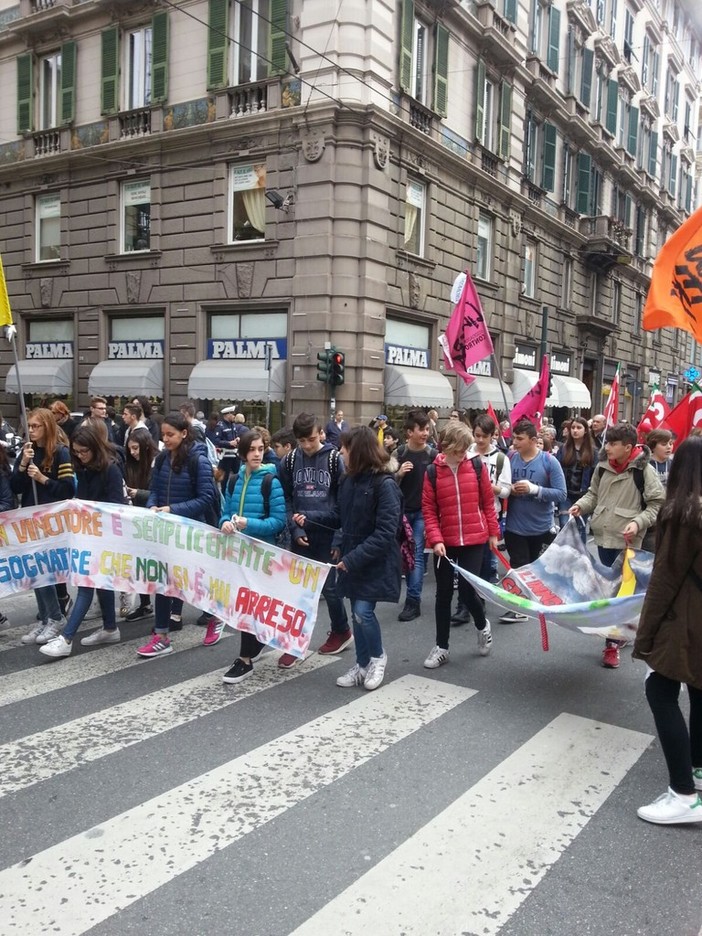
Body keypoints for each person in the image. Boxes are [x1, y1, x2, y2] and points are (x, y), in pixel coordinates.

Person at [632, 435, 702, 825]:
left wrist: (644, 638)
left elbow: (664, 580)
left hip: (686, 619)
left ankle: (683, 794)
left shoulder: (682, 514)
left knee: (659, 691)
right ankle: (697, 769)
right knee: (699, 690)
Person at [570, 422, 665, 668]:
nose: (608, 447)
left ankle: (611, 645)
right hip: (603, 537)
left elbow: (656, 505)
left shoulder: (644, 470)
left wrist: (637, 522)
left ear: (628, 447)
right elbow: (593, 494)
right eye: (607, 443)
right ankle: (618, 632)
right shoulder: (602, 467)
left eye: (613, 444)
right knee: (609, 590)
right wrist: (581, 505)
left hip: (630, 543)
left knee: (618, 595)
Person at [38, 424, 127, 658]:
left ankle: (66, 638)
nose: (79, 455)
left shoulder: (111, 469)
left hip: (105, 536)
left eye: (83, 451)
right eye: (76, 452)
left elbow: (117, 506)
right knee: (100, 583)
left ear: (95, 448)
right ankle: (110, 627)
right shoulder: (84, 468)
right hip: (90, 535)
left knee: (86, 584)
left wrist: (91, 509)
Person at [421, 421, 500, 669]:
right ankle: (441, 646)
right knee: (443, 593)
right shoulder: (432, 472)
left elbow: (487, 502)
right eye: (459, 449)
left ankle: (481, 624)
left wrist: (493, 533)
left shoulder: (476, 466)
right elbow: (429, 510)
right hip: (446, 540)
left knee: (467, 591)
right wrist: (436, 539)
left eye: (466, 449)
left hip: (475, 538)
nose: (463, 454)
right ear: (447, 447)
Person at [140, 412, 218, 658]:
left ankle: (216, 617)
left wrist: (173, 509)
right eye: (163, 435)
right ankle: (161, 635)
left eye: (170, 434)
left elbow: (207, 498)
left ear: (184, 433)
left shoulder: (198, 460)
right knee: (163, 582)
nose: (165, 439)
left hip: (192, 532)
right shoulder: (162, 459)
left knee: (199, 581)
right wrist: (152, 506)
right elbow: (154, 489)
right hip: (166, 532)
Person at [278, 412, 352, 667]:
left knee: (331, 590)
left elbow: (343, 502)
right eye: (302, 441)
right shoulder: (288, 461)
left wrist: (339, 540)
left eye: (311, 439)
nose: (307, 446)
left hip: (328, 532)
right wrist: (295, 530)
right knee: (298, 591)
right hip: (301, 534)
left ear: (320, 433)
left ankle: (341, 630)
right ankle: (295, 643)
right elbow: (287, 499)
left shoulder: (333, 459)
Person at [334, 426, 401, 691]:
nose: (341, 452)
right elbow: (340, 517)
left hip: (375, 561)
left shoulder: (385, 485)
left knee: (363, 611)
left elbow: (386, 533)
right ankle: (361, 665)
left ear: (358, 451)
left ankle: (377, 657)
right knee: (356, 614)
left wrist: (351, 559)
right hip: (353, 556)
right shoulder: (348, 480)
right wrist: (310, 519)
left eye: (345, 448)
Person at [218, 430, 287, 683]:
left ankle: (245, 660)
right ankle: (254, 646)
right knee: (245, 604)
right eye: (252, 450)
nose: (257, 454)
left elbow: (278, 522)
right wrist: (225, 523)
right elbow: (225, 512)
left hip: (263, 555)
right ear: (243, 453)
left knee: (251, 605)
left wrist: (249, 524)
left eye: (261, 449)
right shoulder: (234, 480)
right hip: (238, 553)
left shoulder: (271, 481)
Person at [11, 408, 74, 644]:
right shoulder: (26, 451)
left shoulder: (60, 453)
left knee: (45, 572)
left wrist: (43, 479)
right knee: (34, 571)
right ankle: (46, 617)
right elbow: (16, 487)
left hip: (52, 520)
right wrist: (23, 465)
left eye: (36, 426)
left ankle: (56, 617)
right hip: (29, 518)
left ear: (47, 426)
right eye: (29, 426)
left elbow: (68, 489)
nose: (31, 430)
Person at [499, 418, 567, 623]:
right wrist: (508, 490)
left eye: (520, 438)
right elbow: (501, 487)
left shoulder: (549, 461)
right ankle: (520, 607)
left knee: (535, 568)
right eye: (514, 438)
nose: (515, 442)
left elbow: (561, 494)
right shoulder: (510, 458)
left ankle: (538, 602)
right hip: (514, 526)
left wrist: (534, 489)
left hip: (540, 526)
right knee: (519, 565)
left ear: (533, 440)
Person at [395, 411, 436, 622]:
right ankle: (410, 595)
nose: (425, 433)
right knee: (405, 555)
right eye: (421, 429)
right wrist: (399, 474)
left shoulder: (432, 455)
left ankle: (413, 600)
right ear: (409, 432)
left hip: (423, 512)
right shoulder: (399, 453)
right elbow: (386, 482)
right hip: (402, 513)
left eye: (427, 429)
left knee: (418, 554)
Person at [123, 428, 159, 621]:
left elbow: (159, 495)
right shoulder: (132, 465)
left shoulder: (157, 462)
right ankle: (145, 604)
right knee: (140, 565)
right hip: (137, 520)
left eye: (136, 448)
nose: (133, 453)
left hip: (154, 520)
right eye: (130, 449)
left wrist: (137, 493)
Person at [556, 416, 596, 541]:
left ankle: (580, 556)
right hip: (566, 494)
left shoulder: (593, 452)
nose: (575, 430)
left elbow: (595, 475)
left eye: (579, 428)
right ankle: (564, 555)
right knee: (564, 524)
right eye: (573, 427)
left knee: (580, 527)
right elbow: (557, 470)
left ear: (585, 431)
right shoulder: (563, 449)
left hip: (583, 495)